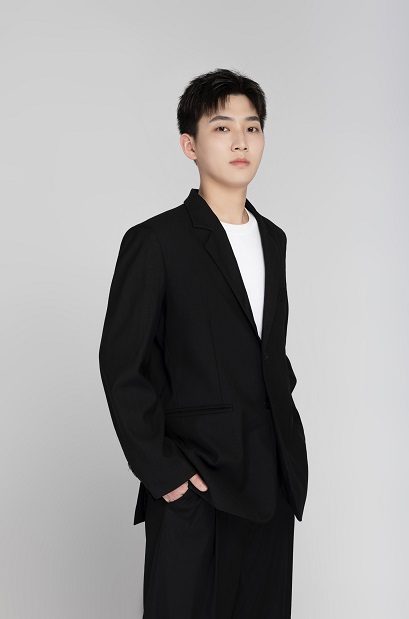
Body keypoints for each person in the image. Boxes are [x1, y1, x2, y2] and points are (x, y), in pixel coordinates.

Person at [98, 67, 308, 618]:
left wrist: (289, 453)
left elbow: (268, 353)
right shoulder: (155, 242)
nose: (241, 141)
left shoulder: (274, 240)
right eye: (222, 127)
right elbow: (122, 366)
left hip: (271, 483)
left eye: (252, 127)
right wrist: (165, 476)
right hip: (197, 483)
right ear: (189, 145)